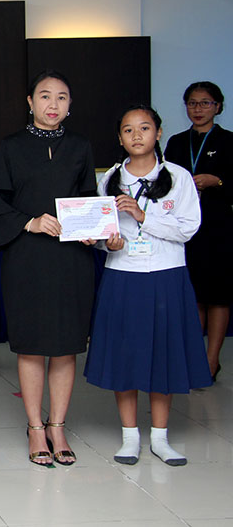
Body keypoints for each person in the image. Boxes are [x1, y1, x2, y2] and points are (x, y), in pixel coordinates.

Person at [0, 70, 96, 468]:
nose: (53, 104)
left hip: (71, 258)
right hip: (25, 257)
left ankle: (57, 426)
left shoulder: (80, 146)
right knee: (30, 343)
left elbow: (88, 199)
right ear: (30, 102)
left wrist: (92, 229)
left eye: (62, 97)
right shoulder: (11, 147)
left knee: (65, 344)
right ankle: (34, 427)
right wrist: (29, 222)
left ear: (70, 104)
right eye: (45, 96)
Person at [85, 105, 211, 466]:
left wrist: (143, 216)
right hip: (122, 275)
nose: (136, 135)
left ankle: (160, 437)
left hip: (166, 275)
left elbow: (187, 228)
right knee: (124, 355)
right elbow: (101, 234)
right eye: (128, 130)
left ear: (158, 133)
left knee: (163, 356)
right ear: (119, 138)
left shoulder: (178, 177)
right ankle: (129, 437)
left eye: (144, 128)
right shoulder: (110, 179)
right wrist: (106, 243)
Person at [164, 81, 232, 381]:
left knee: (218, 297)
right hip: (184, 229)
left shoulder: (229, 141)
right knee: (193, 296)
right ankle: (193, 360)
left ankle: (211, 360)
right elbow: (164, 183)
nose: (198, 109)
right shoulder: (177, 142)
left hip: (218, 228)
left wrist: (217, 182)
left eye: (205, 103)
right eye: (192, 103)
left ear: (218, 106)